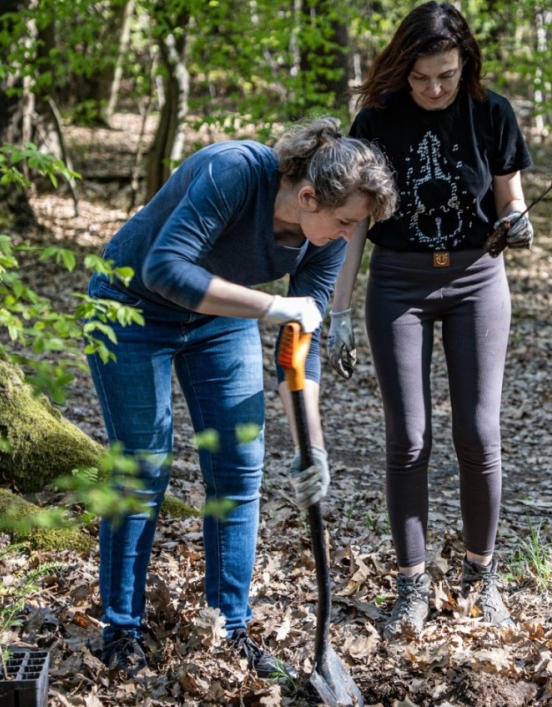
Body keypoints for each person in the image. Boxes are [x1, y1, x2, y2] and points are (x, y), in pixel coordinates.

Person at [84, 117, 397, 678]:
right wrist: (273, 307)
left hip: (217, 319)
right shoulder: (231, 170)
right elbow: (165, 269)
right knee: (142, 467)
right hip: (130, 307)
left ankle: (229, 628)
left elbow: (302, 346)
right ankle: (121, 630)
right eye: (347, 220)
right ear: (307, 196)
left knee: (239, 467)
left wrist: (313, 449)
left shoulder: (325, 240)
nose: (350, 236)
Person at [326, 1, 534, 641]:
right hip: (400, 284)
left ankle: (481, 576)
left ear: (464, 62)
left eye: (445, 74)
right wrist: (339, 311)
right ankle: (412, 584)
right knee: (409, 438)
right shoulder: (377, 119)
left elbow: (512, 201)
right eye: (422, 77)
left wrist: (520, 225)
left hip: (476, 279)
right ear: (403, 69)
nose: (434, 88)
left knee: (477, 432)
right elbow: (355, 222)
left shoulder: (491, 112)